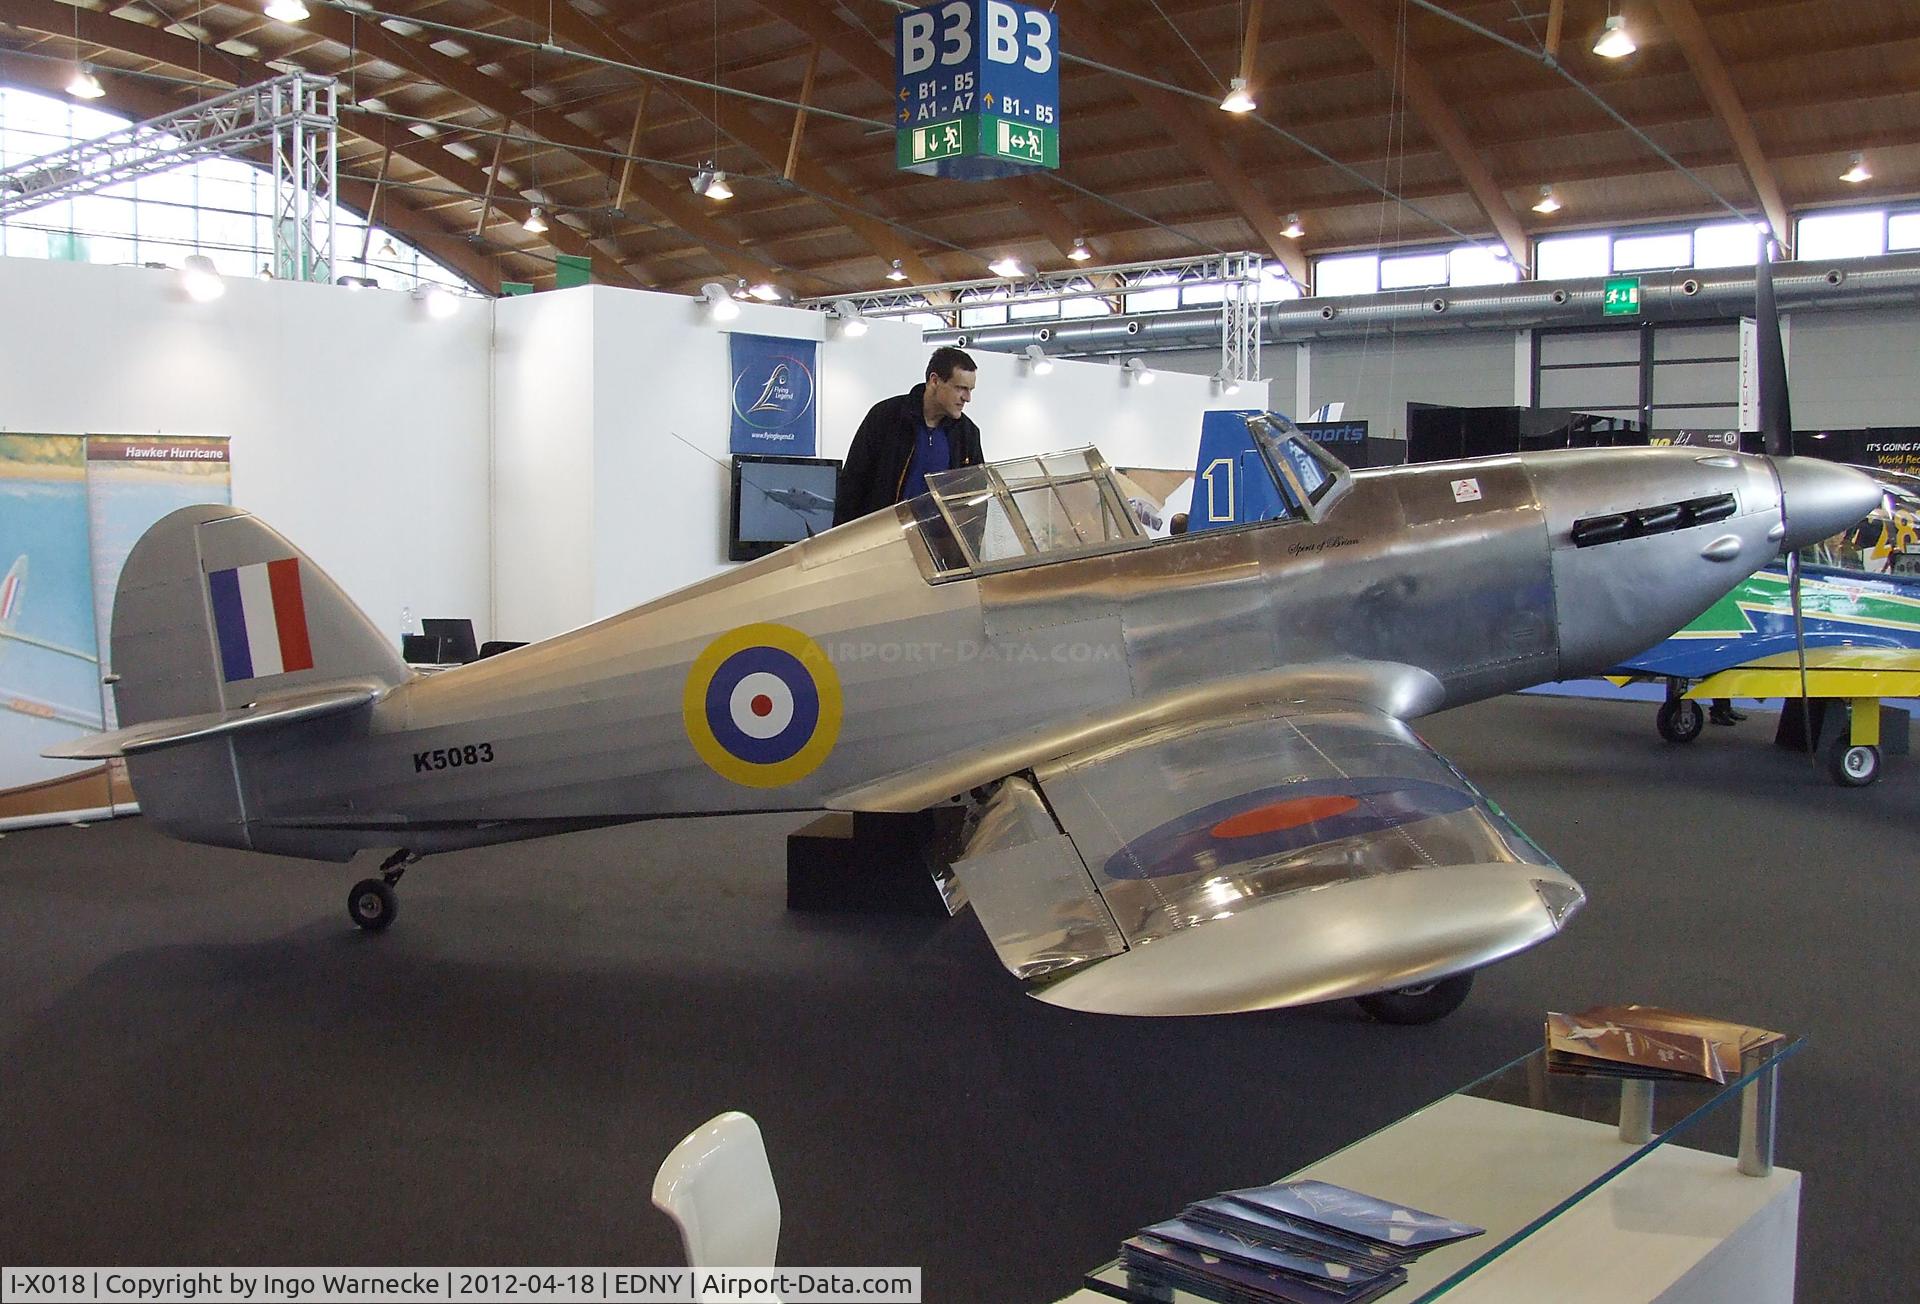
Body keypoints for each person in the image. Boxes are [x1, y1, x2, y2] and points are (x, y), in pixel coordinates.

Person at [833, 347, 983, 525]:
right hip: (883, 539)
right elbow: (852, 484)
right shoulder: (885, 417)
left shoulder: (968, 434)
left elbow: (977, 499)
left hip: (938, 547)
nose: (967, 398)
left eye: (970, 390)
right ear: (934, 380)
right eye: (960, 388)